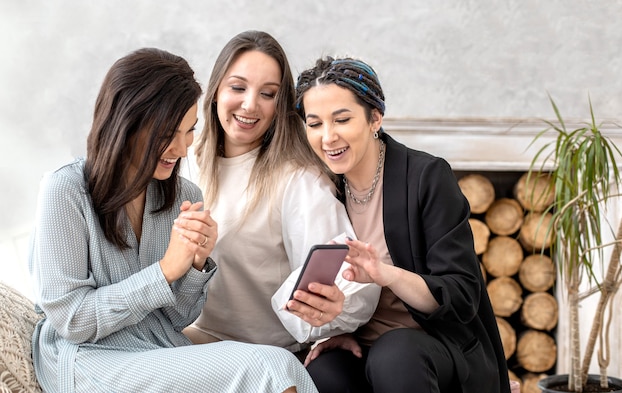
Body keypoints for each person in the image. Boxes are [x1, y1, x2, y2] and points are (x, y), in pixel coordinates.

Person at [29, 47, 319, 393]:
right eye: (168, 134)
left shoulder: (185, 196)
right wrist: (165, 271)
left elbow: (177, 319)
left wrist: (195, 265)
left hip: (156, 348)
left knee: (279, 367)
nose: (182, 149)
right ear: (127, 122)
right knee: (269, 368)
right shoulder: (65, 190)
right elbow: (71, 320)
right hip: (88, 358)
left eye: (189, 131)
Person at [294, 56, 511, 393]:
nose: (328, 137)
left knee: (395, 354)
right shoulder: (323, 187)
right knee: (321, 370)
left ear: (374, 118)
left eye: (342, 119)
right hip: (361, 343)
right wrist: (338, 328)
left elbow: (462, 296)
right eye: (315, 123)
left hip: (432, 346)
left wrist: (387, 274)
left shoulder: (426, 177)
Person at [184, 31, 380, 359]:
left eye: (268, 93)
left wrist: (335, 311)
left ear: (282, 105)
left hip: (257, 354)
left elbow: (351, 275)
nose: (250, 104)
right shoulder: (183, 160)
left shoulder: (296, 179)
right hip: (183, 340)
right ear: (216, 90)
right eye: (237, 87)